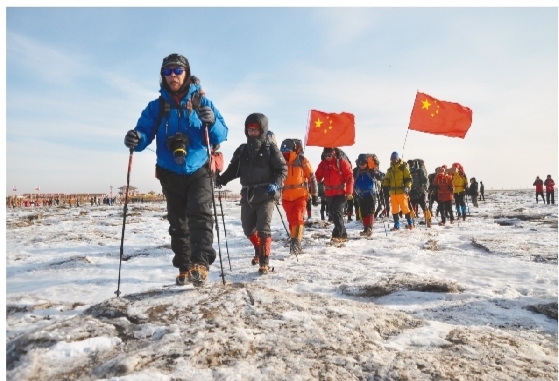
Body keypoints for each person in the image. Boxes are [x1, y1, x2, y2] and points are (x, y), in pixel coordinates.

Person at [124, 53, 228, 286]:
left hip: (199, 168)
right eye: (168, 71)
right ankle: (184, 265)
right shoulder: (157, 106)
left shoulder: (203, 102)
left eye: (178, 71)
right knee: (178, 221)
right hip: (170, 171)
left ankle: (200, 263)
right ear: (163, 76)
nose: (173, 76)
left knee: (200, 214)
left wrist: (211, 121)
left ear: (186, 73)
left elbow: (222, 134)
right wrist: (135, 138)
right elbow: (144, 132)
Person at [216, 113, 286, 274]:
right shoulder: (242, 150)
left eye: (256, 129)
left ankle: (264, 261)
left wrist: (276, 183)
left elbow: (282, 170)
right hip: (248, 194)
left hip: (266, 194)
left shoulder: (270, 149)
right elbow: (233, 170)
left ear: (262, 130)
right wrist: (221, 180)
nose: (252, 132)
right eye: (250, 130)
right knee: (248, 228)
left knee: (263, 227)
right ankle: (257, 247)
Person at [279, 139, 318, 254]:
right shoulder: (280, 162)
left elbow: (312, 178)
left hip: (300, 195)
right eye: (283, 149)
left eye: (287, 149)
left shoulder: (302, 161)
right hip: (286, 197)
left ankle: (296, 244)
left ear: (294, 149)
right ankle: (294, 240)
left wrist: (314, 194)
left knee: (298, 219)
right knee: (291, 221)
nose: (285, 151)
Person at [315, 147, 354, 243]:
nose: (327, 157)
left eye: (329, 155)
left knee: (337, 213)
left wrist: (349, 192)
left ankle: (338, 235)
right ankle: (342, 235)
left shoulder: (342, 162)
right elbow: (317, 177)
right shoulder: (323, 164)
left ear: (334, 154)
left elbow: (349, 177)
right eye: (325, 155)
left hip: (340, 192)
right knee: (333, 215)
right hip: (328, 194)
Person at [353, 154, 385, 237]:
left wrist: (377, 173)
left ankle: (369, 228)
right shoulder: (356, 171)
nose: (361, 165)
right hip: (360, 194)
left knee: (370, 211)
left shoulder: (371, 170)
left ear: (367, 162)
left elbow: (382, 177)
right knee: (363, 212)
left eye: (363, 163)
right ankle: (366, 228)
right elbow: (350, 179)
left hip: (371, 193)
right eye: (359, 163)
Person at [382, 152, 414, 230]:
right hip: (393, 193)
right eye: (392, 159)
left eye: (395, 159)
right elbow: (386, 180)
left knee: (405, 209)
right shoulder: (389, 170)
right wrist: (383, 183)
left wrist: (407, 187)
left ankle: (410, 224)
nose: (393, 160)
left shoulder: (403, 168)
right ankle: (397, 226)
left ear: (398, 158)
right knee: (394, 210)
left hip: (402, 192)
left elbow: (409, 179)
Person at [407, 159, 431, 227]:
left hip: (420, 191)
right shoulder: (408, 171)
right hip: (411, 192)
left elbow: (425, 180)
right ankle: (411, 222)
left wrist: (425, 186)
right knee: (411, 208)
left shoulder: (420, 171)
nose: (410, 166)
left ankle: (428, 221)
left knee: (424, 207)